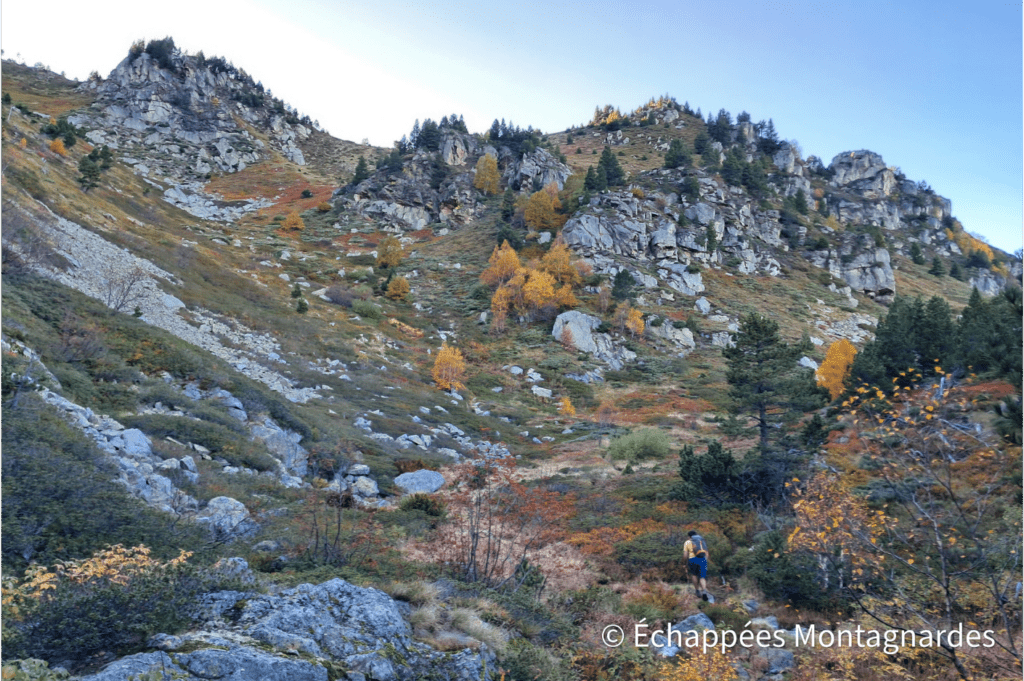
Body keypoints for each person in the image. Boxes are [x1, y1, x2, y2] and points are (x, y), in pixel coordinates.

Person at [682, 530, 710, 601]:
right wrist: (705, 560)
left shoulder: (687, 542)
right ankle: (704, 591)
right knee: (702, 577)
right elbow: (706, 553)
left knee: (694, 575)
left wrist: (684, 563)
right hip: (702, 559)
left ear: (689, 536)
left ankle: (697, 590)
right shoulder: (701, 541)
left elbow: (685, 555)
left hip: (692, 559)